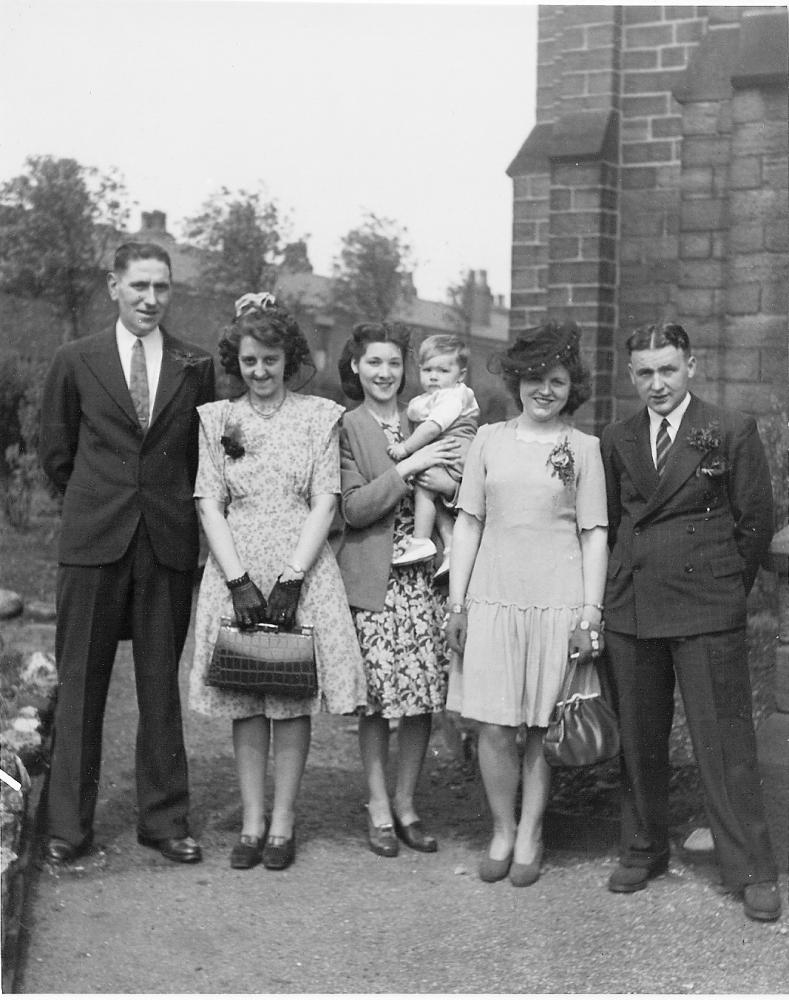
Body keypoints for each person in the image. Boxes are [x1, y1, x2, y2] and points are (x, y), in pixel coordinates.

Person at [39, 241, 215, 865]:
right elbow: (57, 453)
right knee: (82, 684)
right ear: (113, 286)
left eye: (162, 287)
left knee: (159, 688)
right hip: (94, 543)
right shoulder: (75, 358)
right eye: (139, 286)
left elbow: (199, 457)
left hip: (166, 544)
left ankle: (164, 820)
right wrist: (100, 503)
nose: (150, 299)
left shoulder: (196, 363)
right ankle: (67, 825)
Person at [601, 322, 781, 922]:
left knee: (724, 740)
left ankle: (751, 867)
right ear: (632, 376)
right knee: (640, 738)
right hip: (633, 605)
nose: (657, 384)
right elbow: (611, 520)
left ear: (692, 367)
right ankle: (643, 848)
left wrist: (726, 586)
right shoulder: (618, 437)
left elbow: (754, 520)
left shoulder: (728, 429)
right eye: (645, 373)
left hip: (706, 605)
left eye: (668, 370)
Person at [189, 293, 367, 871]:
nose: (260, 372)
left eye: (270, 360)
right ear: (235, 364)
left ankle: (284, 824)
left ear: (288, 359)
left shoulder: (319, 417)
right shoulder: (218, 419)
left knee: (290, 700)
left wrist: (292, 578)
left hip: (301, 564)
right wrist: (238, 579)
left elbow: (326, 499)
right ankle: (251, 823)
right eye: (249, 362)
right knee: (245, 697)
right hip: (234, 563)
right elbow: (209, 502)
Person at [445, 321, 608, 886]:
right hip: (492, 600)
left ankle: (533, 833)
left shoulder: (584, 449)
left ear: (572, 385)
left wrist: (590, 613)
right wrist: (457, 603)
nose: (545, 390)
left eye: (557, 380)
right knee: (492, 724)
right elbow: (467, 523)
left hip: (557, 606)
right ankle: (502, 829)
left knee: (542, 726)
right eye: (534, 378)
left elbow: (593, 534)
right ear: (516, 379)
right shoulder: (488, 440)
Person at [334, 321, 460, 856]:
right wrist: (408, 468)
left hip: (426, 580)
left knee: (422, 700)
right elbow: (354, 508)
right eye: (373, 364)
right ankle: (379, 804)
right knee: (378, 702)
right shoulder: (347, 426)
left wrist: (446, 484)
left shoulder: (425, 416)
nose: (384, 374)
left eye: (392, 364)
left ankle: (407, 804)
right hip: (376, 581)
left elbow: (464, 488)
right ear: (356, 368)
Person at [386, 334, 480, 580]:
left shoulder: (454, 396)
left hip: (455, 448)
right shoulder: (433, 397)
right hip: (449, 448)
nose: (434, 376)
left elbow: (432, 427)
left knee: (425, 485)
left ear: (460, 375)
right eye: (427, 369)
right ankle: (450, 547)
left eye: (442, 370)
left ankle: (420, 539)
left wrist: (405, 449)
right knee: (435, 497)